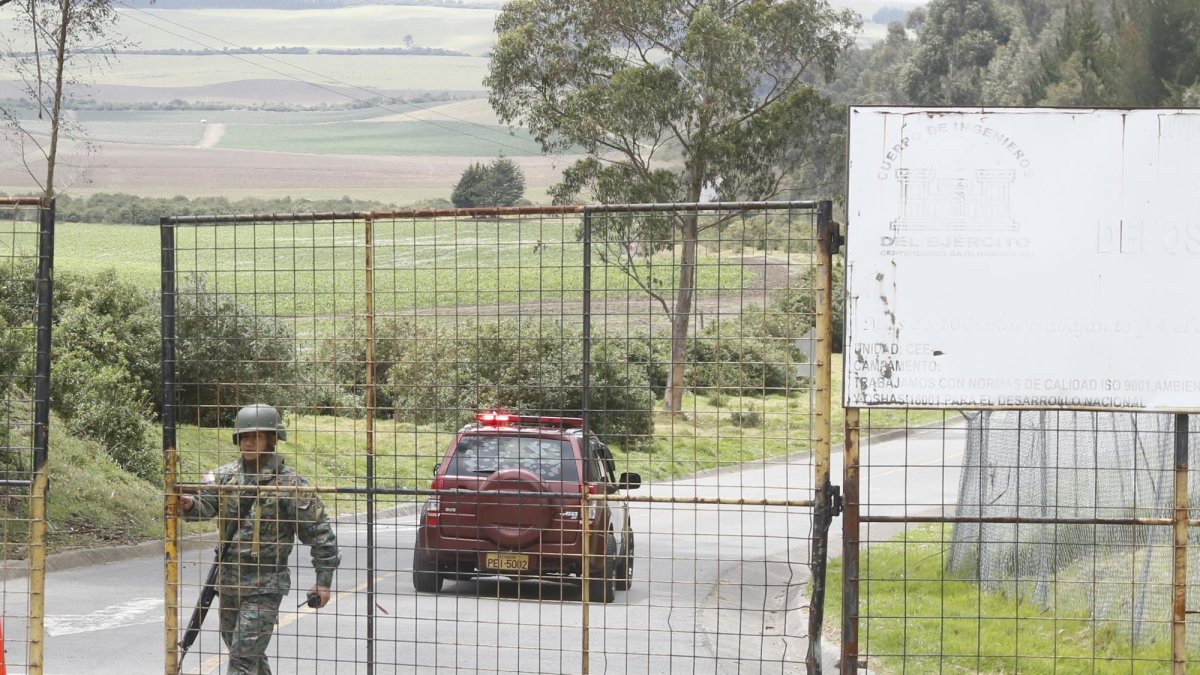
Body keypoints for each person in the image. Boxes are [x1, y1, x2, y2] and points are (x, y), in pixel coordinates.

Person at [179, 403, 341, 675]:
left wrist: (323, 582)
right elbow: (204, 506)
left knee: (241, 660)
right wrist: (187, 504)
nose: (249, 442)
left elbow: (320, 535)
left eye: (257, 436)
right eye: (244, 436)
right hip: (228, 582)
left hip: (265, 586)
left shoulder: (290, 485)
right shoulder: (224, 476)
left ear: (272, 438)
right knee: (246, 655)